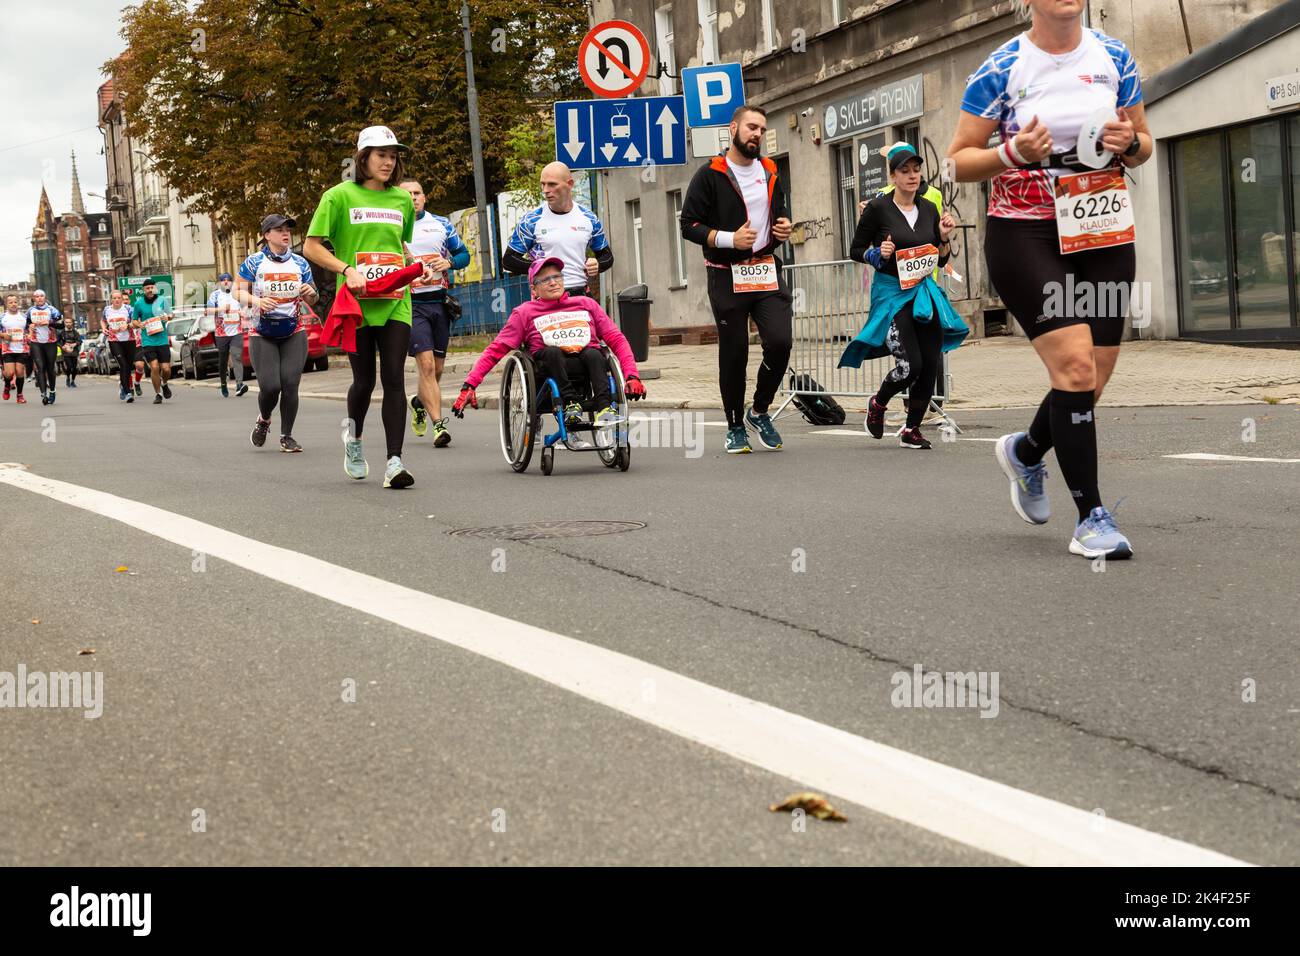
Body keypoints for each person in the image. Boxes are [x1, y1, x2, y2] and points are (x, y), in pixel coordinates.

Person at [948, 0, 1150, 558]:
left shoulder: (1114, 56)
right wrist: (1011, 152)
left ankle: (1028, 451)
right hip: (1025, 233)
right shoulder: (1002, 65)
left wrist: (1127, 142)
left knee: (1093, 377)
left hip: (1101, 226)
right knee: (1075, 365)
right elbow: (957, 161)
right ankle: (1092, 520)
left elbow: (1145, 146)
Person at [304, 125, 435, 489]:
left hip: (395, 301)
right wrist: (347, 269)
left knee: (394, 377)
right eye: (381, 155)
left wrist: (417, 267)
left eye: (393, 156)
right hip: (357, 303)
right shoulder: (338, 197)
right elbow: (311, 247)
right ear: (363, 157)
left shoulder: (401, 200)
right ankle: (355, 440)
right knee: (365, 380)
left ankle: (394, 461)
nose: (389, 162)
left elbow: (398, 246)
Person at [680, 104, 794, 454]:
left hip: (764, 268)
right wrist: (729, 239)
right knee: (735, 352)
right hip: (726, 275)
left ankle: (759, 410)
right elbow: (689, 225)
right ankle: (734, 426)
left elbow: (779, 210)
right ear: (733, 129)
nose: (757, 134)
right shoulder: (709, 174)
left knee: (780, 342)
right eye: (751, 127)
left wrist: (785, 226)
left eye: (761, 129)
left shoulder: (771, 170)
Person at [842, 143, 967, 450]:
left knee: (929, 361)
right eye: (904, 171)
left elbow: (939, 259)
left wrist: (945, 238)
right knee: (910, 365)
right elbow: (855, 250)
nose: (912, 176)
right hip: (894, 293)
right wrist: (876, 253)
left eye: (916, 170)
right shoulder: (878, 208)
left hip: (924, 291)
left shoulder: (929, 208)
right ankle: (879, 402)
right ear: (893, 176)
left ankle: (912, 429)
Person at [452, 256, 645, 427]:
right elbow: (496, 349)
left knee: (595, 353)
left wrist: (632, 375)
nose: (553, 283)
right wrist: (470, 385)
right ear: (534, 288)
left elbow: (617, 339)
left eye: (557, 277)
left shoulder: (586, 304)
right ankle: (570, 404)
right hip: (547, 366)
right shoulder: (524, 313)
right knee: (553, 352)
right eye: (545, 279)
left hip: (587, 362)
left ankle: (605, 408)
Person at [235, 215, 317, 452]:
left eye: (288, 230)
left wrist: (309, 292)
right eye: (279, 229)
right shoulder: (254, 262)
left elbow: (314, 296)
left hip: (294, 330)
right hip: (263, 332)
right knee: (271, 386)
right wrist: (257, 301)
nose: (286, 233)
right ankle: (264, 419)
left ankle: (287, 436)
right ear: (267, 235)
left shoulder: (300, 263)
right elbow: (238, 293)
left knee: (290, 384)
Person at [399, 178, 471, 448]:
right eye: (408, 194)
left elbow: (464, 255)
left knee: (437, 369)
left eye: (417, 193)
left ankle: (419, 402)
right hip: (411, 304)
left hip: (439, 303)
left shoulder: (441, 224)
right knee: (426, 365)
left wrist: (449, 262)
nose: (413, 198)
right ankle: (439, 426)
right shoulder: (394, 228)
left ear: (425, 198)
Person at [502, 162, 613, 296]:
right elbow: (508, 260)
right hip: (547, 298)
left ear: (570, 184)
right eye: (543, 184)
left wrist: (597, 264)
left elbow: (607, 257)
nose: (545, 190)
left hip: (580, 294)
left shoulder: (588, 218)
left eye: (552, 184)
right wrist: (541, 267)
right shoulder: (531, 220)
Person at [131, 279, 174, 405]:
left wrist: (168, 317)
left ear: (155, 288)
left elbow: (171, 314)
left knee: (166, 369)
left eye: (151, 287)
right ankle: (158, 394)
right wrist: (139, 324)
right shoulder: (139, 303)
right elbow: (134, 320)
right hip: (148, 340)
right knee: (154, 367)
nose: (150, 290)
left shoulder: (162, 300)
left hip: (162, 339)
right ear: (143, 290)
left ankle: (164, 384)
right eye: (147, 288)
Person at [208, 272, 247, 397]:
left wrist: (242, 313)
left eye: (228, 280)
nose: (226, 282)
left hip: (236, 331)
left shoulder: (237, 294)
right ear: (219, 283)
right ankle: (223, 383)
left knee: (236, 356)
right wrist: (221, 309)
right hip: (221, 333)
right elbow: (208, 311)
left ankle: (239, 384)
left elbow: (244, 308)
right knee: (223, 360)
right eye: (223, 280)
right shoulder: (215, 295)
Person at [26, 289, 63, 405]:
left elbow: (61, 325)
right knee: (40, 368)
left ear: (45, 297)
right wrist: (29, 328)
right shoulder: (30, 311)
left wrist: (49, 323)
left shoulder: (52, 310)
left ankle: (52, 390)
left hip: (50, 343)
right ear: (34, 299)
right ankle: (43, 394)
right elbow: (27, 324)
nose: (39, 298)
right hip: (36, 343)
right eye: (37, 296)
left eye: (41, 296)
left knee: (50, 368)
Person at [103, 289, 135, 402]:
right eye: (114, 298)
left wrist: (128, 325)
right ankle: (127, 392)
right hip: (114, 341)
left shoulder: (129, 309)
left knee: (129, 367)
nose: (116, 300)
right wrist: (104, 329)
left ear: (122, 299)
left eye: (119, 298)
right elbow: (103, 321)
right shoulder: (107, 310)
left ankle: (123, 385)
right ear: (111, 299)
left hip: (129, 340)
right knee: (123, 365)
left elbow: (136, 322)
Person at [2, 295, 28, 404]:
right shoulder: (2, 317)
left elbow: (30, 329)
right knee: (9, 373)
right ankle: (7, 385)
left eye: (15, 302)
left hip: (21, 348)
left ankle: (19, 395)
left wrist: (30, 334)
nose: (13, 304)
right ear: (6, 304)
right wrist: (3, 334)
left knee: (20, 372)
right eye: (10, 302)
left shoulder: (24, 317)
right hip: (8, 349)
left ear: (18, 304)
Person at [58, 316, 81, 389]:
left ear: (72, 323)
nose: (68, 324)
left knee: (74, 368)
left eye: (70, 322)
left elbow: (79, 341)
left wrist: (75, 344)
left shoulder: (75, 332)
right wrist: (63, 346)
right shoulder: (61, 333)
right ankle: (68, 377)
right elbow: (57, 341)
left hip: (74, 352)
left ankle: (73, 381)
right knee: (69, 367)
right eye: (66, 322)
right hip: (66, 352)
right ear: (64, 323)